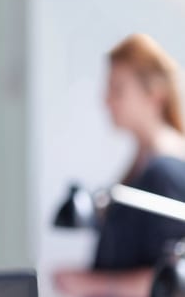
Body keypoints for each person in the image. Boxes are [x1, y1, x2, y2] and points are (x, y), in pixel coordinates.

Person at [55, 33, 185, 297]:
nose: (107, 100)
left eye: (117, 89)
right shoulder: (142, 163)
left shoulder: (165, 172)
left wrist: (90, 283)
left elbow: (169, 280)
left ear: (155, 96)